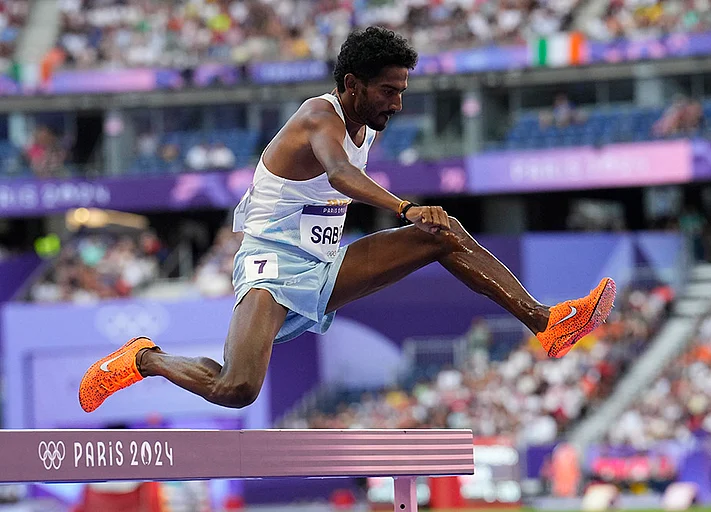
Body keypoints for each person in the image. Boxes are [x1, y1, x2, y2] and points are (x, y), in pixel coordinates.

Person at [79, 27, 616, 413]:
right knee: (236, 390)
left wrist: (416, 218)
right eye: (389, 90)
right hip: (270, 263)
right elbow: (338, 175)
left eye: (404, 91)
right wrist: (405, 207)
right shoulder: (319, 116)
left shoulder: (369, 124)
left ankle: (546, 323)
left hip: (322, 261)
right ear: (353, 84)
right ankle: (143, 358)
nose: (398, 103)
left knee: (442, 234)